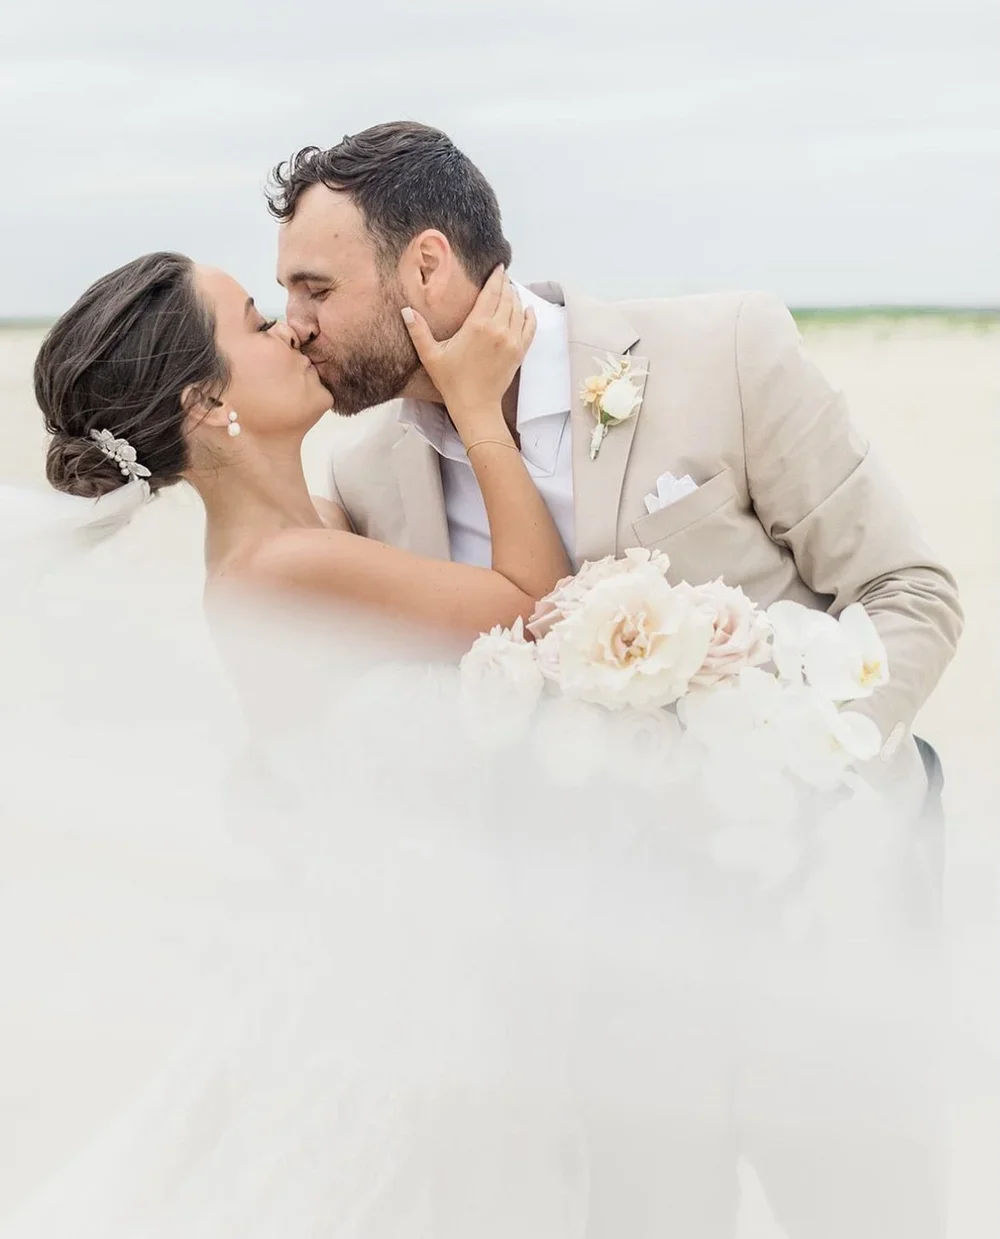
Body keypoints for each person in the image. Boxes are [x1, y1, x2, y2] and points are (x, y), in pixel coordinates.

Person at [270, 120, 962, 824]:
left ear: (426, 266)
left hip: (837, 859)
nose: (292, 323)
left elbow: (907, 591)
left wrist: (803, 780)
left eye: (315, 290)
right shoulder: (363, 475)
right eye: (285, 293)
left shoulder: (726, 350)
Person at [35, 255, 569, 639]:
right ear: (207, 405)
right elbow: (543, 610)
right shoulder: (280, 566)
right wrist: (474, 406)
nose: (289, 330)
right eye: (258, 324)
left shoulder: (322, 523)